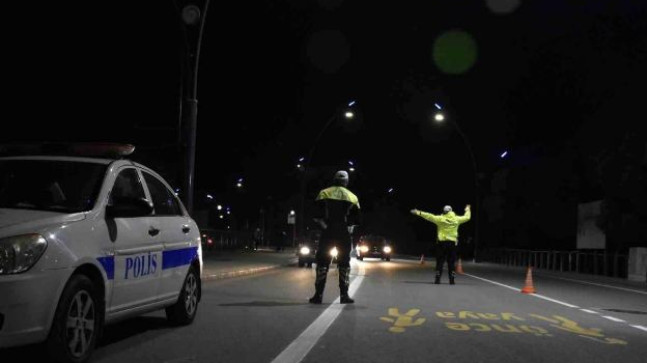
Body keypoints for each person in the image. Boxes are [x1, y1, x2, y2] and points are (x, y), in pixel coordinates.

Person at [309, 170, 361, 304]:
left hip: (328, 232)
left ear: (334, 179)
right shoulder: (352, 197)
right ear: (346, 181)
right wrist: (349, 229)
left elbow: (316, 215)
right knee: (344, 264)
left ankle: (318, 295)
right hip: (343, 233)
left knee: (322, 263)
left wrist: (324, 227)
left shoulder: (324, 193)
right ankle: (344, 296)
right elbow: (357, 220)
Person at [410, 204, 471, 285]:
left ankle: (437, 279)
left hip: (441, 244)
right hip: (452, 244)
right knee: (451, 263)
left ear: (444, 211)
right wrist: (467, 209)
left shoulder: (440, 218)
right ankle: (452, 280)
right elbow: (467, 217)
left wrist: (418, 212)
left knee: (440, 262)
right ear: (451, 211)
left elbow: (428, 216)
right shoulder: (457, 219)